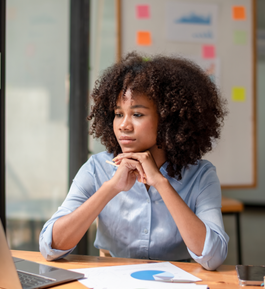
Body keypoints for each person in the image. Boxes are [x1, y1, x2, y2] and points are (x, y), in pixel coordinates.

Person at [39, 52, 229, 270]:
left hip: (181, 284)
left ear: (169, 120)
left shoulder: (201, 175)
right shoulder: (96, 169)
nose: (123, 126)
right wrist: (111, 188)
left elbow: (213, 257)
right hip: (110, 281)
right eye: (119, 114)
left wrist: (161, 183)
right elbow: (49, 247)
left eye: (137, 115)